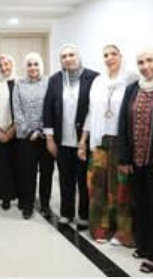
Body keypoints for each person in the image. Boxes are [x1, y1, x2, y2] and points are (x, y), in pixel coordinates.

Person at [80, 43, 136, 246]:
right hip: (99, 141)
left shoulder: (131, 79)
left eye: (113, 54)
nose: (109, 58)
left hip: (120, 142)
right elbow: (90, 112)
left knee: (121, 188)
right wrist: (83, 141)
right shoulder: (98, 81)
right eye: (105, 55)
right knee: (97, 187)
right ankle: (101, 228)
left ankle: (123, 232)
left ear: (121, 56)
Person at [44, 43, 99, 229]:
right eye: (64, 56)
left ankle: (84, 214)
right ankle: (66, 213)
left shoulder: (93, 78)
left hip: (84, 140)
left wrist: (86, 139)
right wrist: (49, 138)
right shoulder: (55, 79)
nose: (68, 59)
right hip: (62, 140)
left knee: (83, 180)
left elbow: (94, 109)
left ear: (78, 56)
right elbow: (48, 109)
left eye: (71, 55)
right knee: (65, 179)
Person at [117, 47, 153, 272]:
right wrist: (124, 158)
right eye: (141, 62)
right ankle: (144, 244)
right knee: (140, 205)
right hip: (136, 160)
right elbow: (122, 124)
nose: (145, 66)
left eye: (150, 60)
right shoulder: (132, 89)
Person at [12, 52, 53, 219]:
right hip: (26, 137)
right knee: (27, 174)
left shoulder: (49, 82)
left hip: (46, 136)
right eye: (29, 65)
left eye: (36, 64)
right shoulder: (19, 85)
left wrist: (41, 130)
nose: (32, 67)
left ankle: (45, 204)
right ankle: (27, 205)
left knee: (46, 173)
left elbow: (51, 108)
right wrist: (30, 131)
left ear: (41, 66)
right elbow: (17, 111)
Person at [0, 53, 19, 211]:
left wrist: (13, 128)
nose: (4, 68)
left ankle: (20, 195)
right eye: (0, 65)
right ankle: (6, 197)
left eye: (6, 64)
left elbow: (23, 107)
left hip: (19, 131)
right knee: (3, 166)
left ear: (12, 65)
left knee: (19, 165)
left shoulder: (21, 82)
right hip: (1, 132)